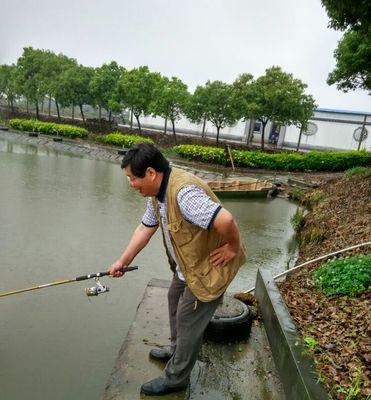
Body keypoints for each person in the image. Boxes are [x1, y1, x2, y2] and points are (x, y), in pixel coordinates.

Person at [108, 142, 246, 396]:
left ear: (150, 172)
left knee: (187, 318)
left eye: (132, 178)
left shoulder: (183, 194)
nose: (131, 184)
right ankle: (176, 351)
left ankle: (176, 377)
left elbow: (226, 220)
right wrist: (122, 261)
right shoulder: (157, 194)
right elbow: (145, 228)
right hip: (187, 268)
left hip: (208, 270)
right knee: (174, 299)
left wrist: (232, 248)